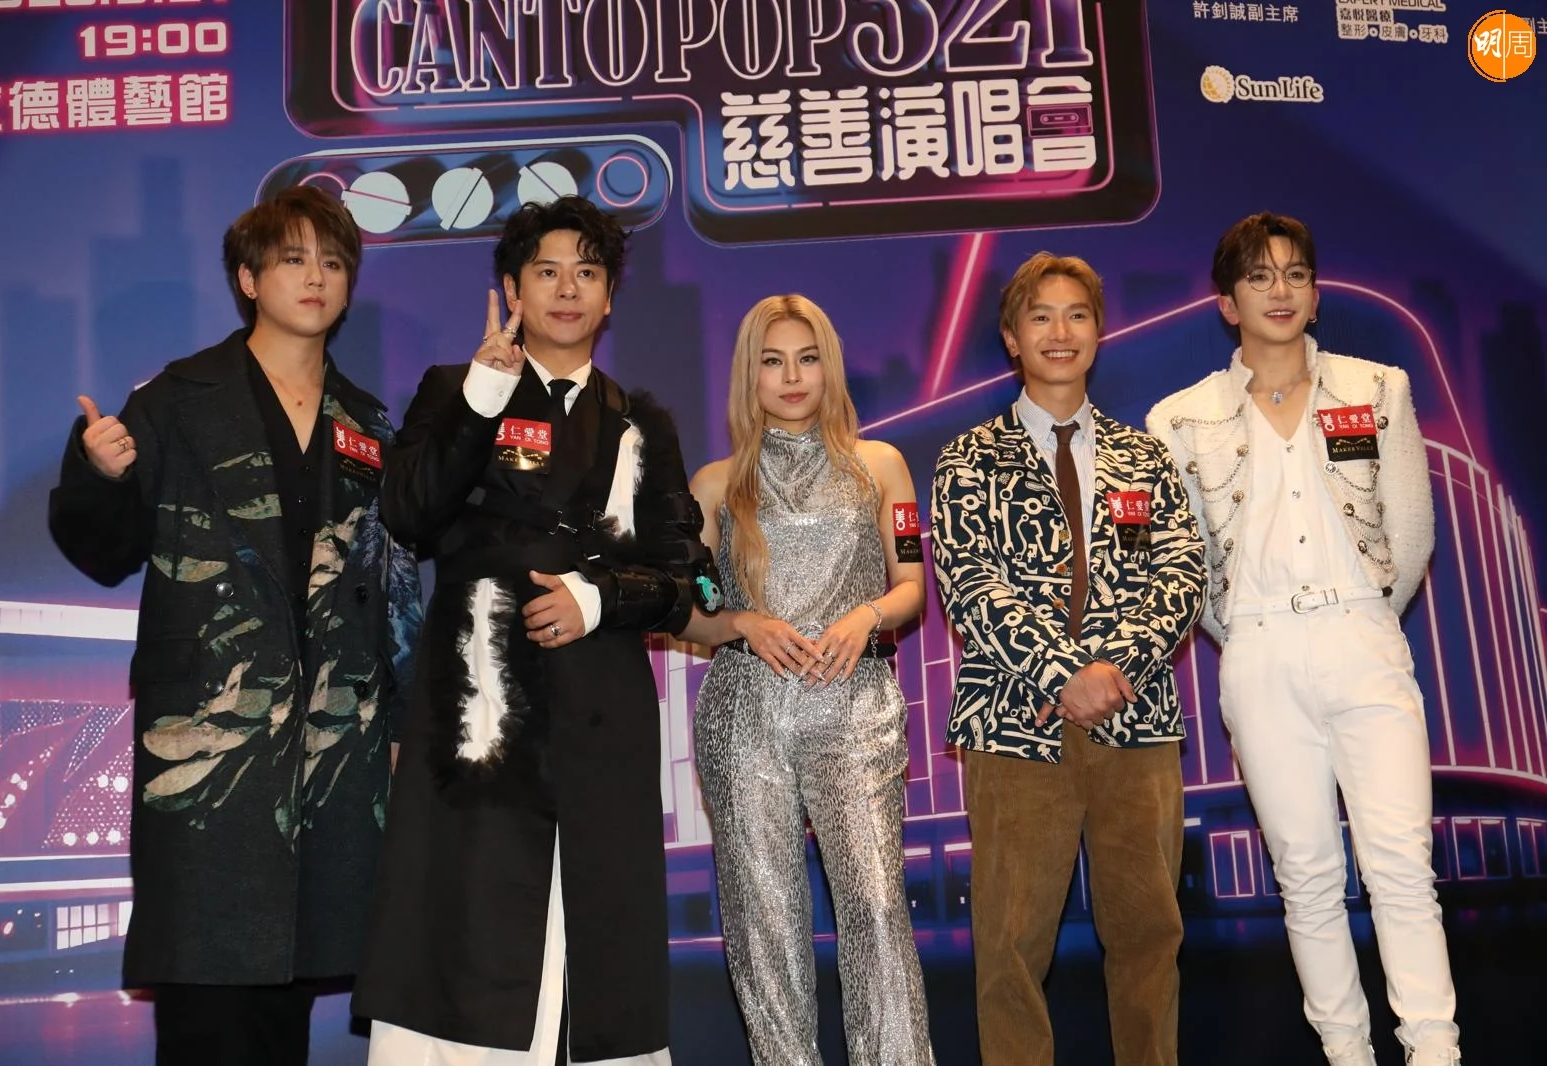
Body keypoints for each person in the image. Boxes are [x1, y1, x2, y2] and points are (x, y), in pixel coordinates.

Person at [47, 185, 424, 1066]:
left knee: (289, 991)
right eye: (292, 259)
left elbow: (396, 588)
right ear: (249, 280)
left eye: (332, 262)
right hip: (213, 740)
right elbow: (105, 549)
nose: (315, 277)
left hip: (332, 750)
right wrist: (100, 474)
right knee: (208, 996)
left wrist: (403, 727)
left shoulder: (368, 422)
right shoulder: (178, 400)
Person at [351, 195, 721, 1066]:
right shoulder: (453, 389)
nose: (567, 289)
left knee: (601, 937)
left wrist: (600, 597)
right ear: (512, 289)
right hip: (479, 704)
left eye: (587, 273)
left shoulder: (642, 421)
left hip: (601, 706)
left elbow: (692, 579)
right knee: (467, 926)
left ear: (609, 297)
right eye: (546, 272)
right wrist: (482, 395)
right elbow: (406, 512)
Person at [1145, 213, 1462, 1066]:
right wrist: (1249, 632)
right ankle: (1347, 1053)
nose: (1279, 291)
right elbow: (1185, 564)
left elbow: (1412, 533)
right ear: (1227, 302)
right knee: (1308, 876)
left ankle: (1436, 1051)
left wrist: (1361, 613)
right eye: (1258, 276)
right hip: (1257, 650)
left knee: (1402, 867)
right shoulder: (1179, 419)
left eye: (1294, 274)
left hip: (1364, 634)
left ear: (1317, 293)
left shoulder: (1378, 387)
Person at [931, 252, 1205, 1066]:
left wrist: (1111, 672)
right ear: (1012, 337)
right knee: (1010, 948)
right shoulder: (967, 457)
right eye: (1041, 316)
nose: (1061, 331)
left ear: (1098, 331)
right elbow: (970, 583)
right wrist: (1063, 675)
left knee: (1150, 934)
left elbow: (1183, 572)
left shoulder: (1143, 456)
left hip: (1136, 720)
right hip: (1015, 725)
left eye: (1077, 314)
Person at [681, 294, 936, 1066]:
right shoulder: (714, 485)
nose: (792, 377)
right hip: (744, 716)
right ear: (748, 376)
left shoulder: (881, 465)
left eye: (807, 358)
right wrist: (741, 623)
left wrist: (867, 616)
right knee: (764, 923)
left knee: (877, 907)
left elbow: (913, 586)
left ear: (830, 367)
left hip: (855, 710)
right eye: (772, 361)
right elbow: (688, 611)